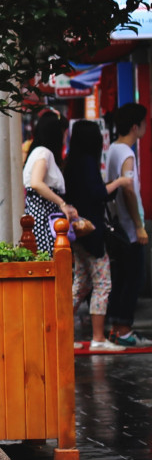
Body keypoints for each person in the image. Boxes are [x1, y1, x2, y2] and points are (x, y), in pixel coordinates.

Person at [64, 120, 128, 352]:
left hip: (78, 233)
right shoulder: (88, 162)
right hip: (92, 233)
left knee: (80, 284)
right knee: (103, 283)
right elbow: (98, 193)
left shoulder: (71, 162)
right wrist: (120, 181)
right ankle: (99, 338)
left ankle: (63, 333)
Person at [106, 102, 149, 347]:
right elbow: (129, 191)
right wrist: (139, 224)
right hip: (128, 228)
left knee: (122, 278)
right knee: (135, 278)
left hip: (117, 226)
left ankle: (117, 329)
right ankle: (124, 330)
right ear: (136, 126)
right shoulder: (128, 154)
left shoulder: (113, 149)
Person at [21, 116, 77, 258]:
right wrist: (62, 203)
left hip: (41, 216)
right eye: (63, 132)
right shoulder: (44, 153)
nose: (65, 136)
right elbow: (36, 182)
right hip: (43, 219)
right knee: (48, 261)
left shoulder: (39, 152)